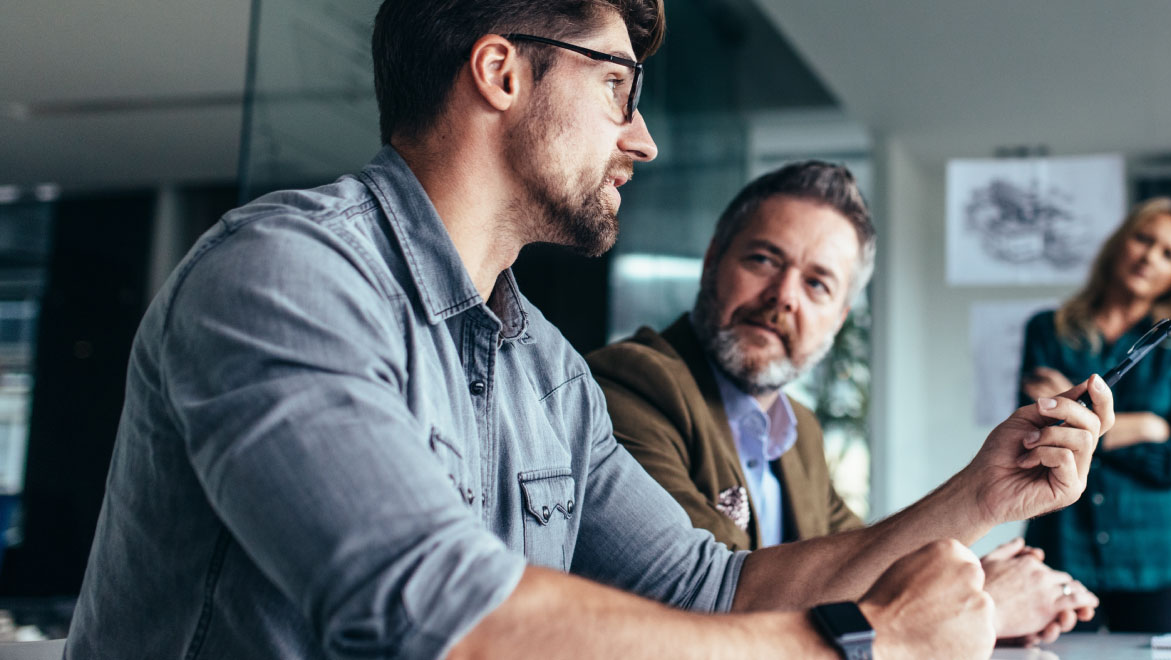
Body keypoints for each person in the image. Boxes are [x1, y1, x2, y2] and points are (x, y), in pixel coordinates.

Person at [65, 1, 1117, 658]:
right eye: (617, 87)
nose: (644, 138)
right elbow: (435, 617)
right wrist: (860, 642)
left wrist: (983, 493)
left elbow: (714, 590)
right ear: (501, 71)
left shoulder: (542, 371)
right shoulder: (284, 275)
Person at [586, 161, 1101, 645]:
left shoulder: (798, 431)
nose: (784, 296)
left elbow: (861, 566)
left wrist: (973, 557)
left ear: (839, 316)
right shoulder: (631, 385)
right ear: (713, 260)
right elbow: (716, 603)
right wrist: (981, 604)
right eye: (764, 260)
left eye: (817, 284)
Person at [1018, 197, 1171, 633]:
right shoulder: (1047, 332)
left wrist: (1082, 425)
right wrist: (1146, 427)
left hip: (1155, 559)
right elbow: (1036, 438)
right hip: (1063, 550)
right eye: (1144, 239)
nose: (1150, 256)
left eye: (1168, 254)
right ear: (1119, 244)